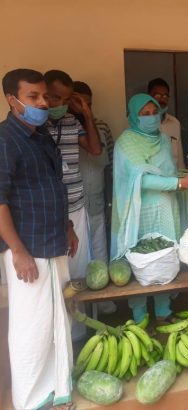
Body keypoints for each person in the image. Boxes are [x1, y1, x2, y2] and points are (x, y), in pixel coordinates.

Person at [0, 68, 78, 410]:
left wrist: (69, 227)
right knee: (31, 325)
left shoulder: (42, 136)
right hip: (28, 248)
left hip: (53, 241)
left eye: (44, 96)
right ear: (11, 99)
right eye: (33, 97)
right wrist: (17, 250)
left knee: (58, 316)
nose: (43, 102)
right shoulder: (5, 140)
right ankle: (30, 400)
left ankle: (57, 386)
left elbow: (55, 187)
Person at [111, 93, 188, 323]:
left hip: (166, 210)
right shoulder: (126, 142)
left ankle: (163, 311)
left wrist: (186, 179)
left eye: (154, 112)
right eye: (145, 114)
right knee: (139, 260)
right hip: (138, 213)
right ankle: (139, 315)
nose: (151, 117)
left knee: (164, 258)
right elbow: (141, 180)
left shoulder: (164, 140)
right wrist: (181, 183)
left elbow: (168, 173)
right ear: (133, 116)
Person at [44, 69, 102, 340]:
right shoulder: (33, 127)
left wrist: (86, 113)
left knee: (78, 271)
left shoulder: (70, 121)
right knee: (54, 276)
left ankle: (78, 334)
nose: (59, 104)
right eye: (55, 97)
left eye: (66, 99)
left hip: (77, 207)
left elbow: (95, 149)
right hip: (48, 212)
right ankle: (57, 334)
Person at [72, 80, 116, 314]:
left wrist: (111, 201)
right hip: (72, 206)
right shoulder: (63, 127)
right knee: (75, 257)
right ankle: (78, 310)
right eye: (77, 102)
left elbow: (109, 167)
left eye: (87, 104)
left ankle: (102, 304)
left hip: (97, 199)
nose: (82, 107)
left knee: (99, 251)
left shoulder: (102, 127)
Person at [148, 78, 185, 169]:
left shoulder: (175, 123)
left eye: (165, 96)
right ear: (148, 97)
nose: (162, 99)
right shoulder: (142, 123)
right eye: (157, 95)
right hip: (150, 180)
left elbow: (179, 159)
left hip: (172, 179)